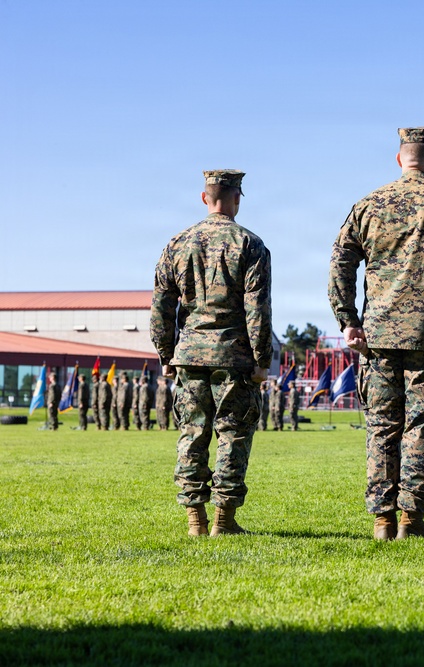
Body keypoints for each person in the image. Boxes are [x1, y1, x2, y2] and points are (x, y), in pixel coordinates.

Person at [329, 127, 424, 541]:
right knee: (423, 426)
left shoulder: (368, 205)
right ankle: (411, 522)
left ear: (400, 159)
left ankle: (382, 522)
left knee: (382, 428)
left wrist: (347, 320)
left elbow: (340, 262)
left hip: (377, 340)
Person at [151, 168, 272, 537]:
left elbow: (160, 308)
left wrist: (166, 355)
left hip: (189, 355)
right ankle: (224, 520)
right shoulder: (250, 244)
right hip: (233, 357)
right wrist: (261, 359)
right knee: (233, 435)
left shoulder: (177, 244)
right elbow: (258, 310)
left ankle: (195, 521)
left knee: (192, 434)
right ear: (236, 198)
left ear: (205, 198)